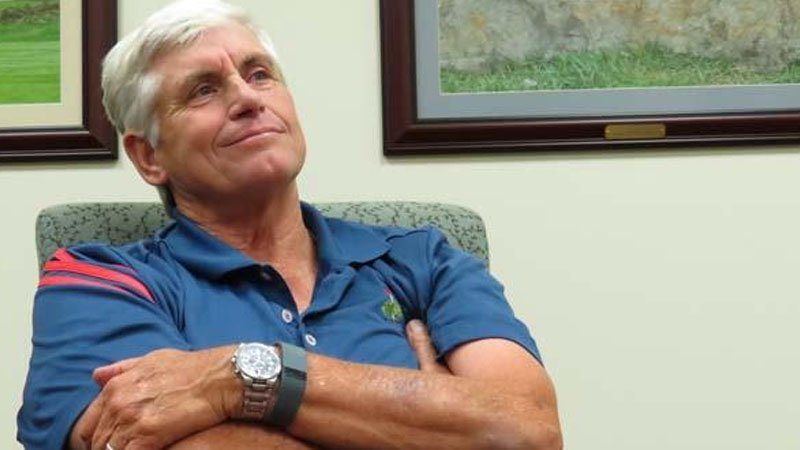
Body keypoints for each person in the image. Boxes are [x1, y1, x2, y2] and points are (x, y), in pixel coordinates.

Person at [17, 1, 562, 449]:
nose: (247, 98)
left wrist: (241, 378)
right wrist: (428, 418)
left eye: (259, 74)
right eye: (204, 89)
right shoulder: (94, 280)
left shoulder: (423, 258)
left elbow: (529, 430)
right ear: (148, 156)